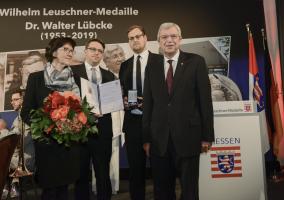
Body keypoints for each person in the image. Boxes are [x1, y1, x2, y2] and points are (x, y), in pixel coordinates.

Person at [142, 22, 214, 200]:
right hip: (159, 141)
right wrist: (146, 139)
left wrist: (207, 136)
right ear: (158, 41)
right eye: (164, 37)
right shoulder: (152, 66)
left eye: (173, 36)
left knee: (189, 191)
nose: (169, 40)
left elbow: (205, 101)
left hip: (189, 137)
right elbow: (148, 105)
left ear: (180, 40)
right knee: (162, 190)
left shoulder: (196, 62)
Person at [21, 37, 81, 200]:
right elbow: (25, 112)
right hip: (47, 144)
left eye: (71, 50)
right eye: (66, 49)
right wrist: (46, 126)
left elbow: (81, 109)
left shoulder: (76, 79)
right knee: (49, 191)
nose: (70, 53)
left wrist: (77, 121)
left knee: (64, 190)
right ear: (54, 52)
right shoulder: (36, 78)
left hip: (69, 143)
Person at [119, 25, 161, 200]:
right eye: (131, 38)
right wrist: (122, 100)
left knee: (161, 169)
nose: (135, 40)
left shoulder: (160, 61)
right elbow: (122, 91)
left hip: (157, 122)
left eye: (138, 36)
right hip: (133, 123)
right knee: (136, 171)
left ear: (145, 38)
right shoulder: (125, 65)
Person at [71, 38, 115, 200]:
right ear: (85, 51)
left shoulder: (110, 75)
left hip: (103, 132)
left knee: (103, 173)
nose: (97, 53)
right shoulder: (72, 72)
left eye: (100, 51)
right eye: (93, 49)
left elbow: (113, 101)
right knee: (81, 174)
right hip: (79, 131)